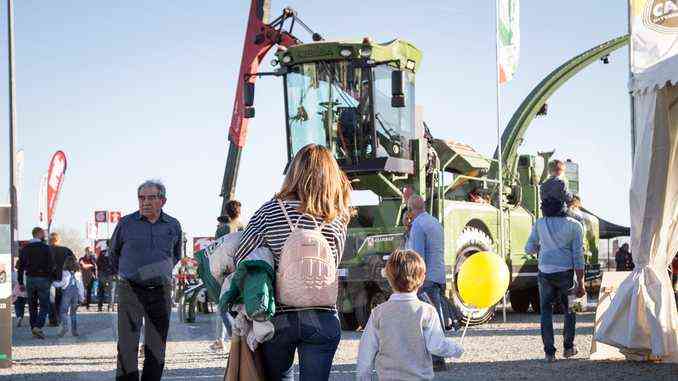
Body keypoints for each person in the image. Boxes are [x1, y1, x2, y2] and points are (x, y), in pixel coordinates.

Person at [232, 144, 351, 381]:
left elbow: (241, 256)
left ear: (294, 171)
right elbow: (332, 261)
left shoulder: (269, 211)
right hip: (322, 314)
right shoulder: (337, 216)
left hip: (279, 316)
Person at [110, 179, 182, 381]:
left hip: (160, 291)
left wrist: (158, 273)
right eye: (142, 198)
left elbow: (175, 255)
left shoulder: (173, 225)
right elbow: (113, 254)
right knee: (127, 345)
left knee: (157, 346)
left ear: (163, 200)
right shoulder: (126, 224)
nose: (146, 202)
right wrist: (129, 274)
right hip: (130, 289)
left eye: (151, 197)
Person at [357, 250, 463, 380]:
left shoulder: (378, 313)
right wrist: (456, 349)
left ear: (389, 278)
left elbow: (365, 353)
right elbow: (437, 345)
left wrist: (364, 378)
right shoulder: (427, 311)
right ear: (422, 278)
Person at [525, 214, 585, 362]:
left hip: (544, 271)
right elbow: (578, 255)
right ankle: (568, 348)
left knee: (545, 311)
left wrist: (542, 247)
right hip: (566, 272)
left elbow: (528, 249)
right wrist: (581, 281)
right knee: (571, 310)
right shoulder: (575, 225)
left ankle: (549, 353)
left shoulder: (540, 223)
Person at [405, 194, 449, 370]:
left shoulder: (418, 225)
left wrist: (415, 281)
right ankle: (438, 357)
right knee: (436, 316)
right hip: (438, 275)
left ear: (410, 210)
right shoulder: (434, 222)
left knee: (427, 320)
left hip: (426, 278)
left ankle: (436, 360)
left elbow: (417, 256)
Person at [210, 200, 243, 352]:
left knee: (223, 305)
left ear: (226, 212)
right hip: (243, 269)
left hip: (227, 271)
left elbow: (216, 251)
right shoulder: (246, 227)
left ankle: (230, 338)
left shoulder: (223, 229)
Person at [15, 227, 54, 339]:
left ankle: (34, 330)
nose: (44, 235)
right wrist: (50, 278)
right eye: (43, 233)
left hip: (30, 279)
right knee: (44, 304)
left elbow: (20, 266)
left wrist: (21, 282)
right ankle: (38, 326)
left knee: (32, 305)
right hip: (43, 279)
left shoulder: (25, 248)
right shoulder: (45, 248)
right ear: (39, 234)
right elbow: (51, 265)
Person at [48, 232, 76, 326]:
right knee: (61, 299)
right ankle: (60, 318)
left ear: (49, 240)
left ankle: (53, 320)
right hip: (63, 278)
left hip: (49, 278)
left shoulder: (46, 250)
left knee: (50, 300)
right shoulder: (66, 250)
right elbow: (74, 262)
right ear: (58, 240)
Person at [52, 255, 85, 337]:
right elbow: (80, 285)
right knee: (73, 313)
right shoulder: (78, 273)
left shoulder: (65, 272)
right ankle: (74, 331)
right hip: (76, 293)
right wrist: (82, 297)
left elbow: (63, 283)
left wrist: (54, 283)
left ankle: (65, 327)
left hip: (67, 293)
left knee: (63, 311)